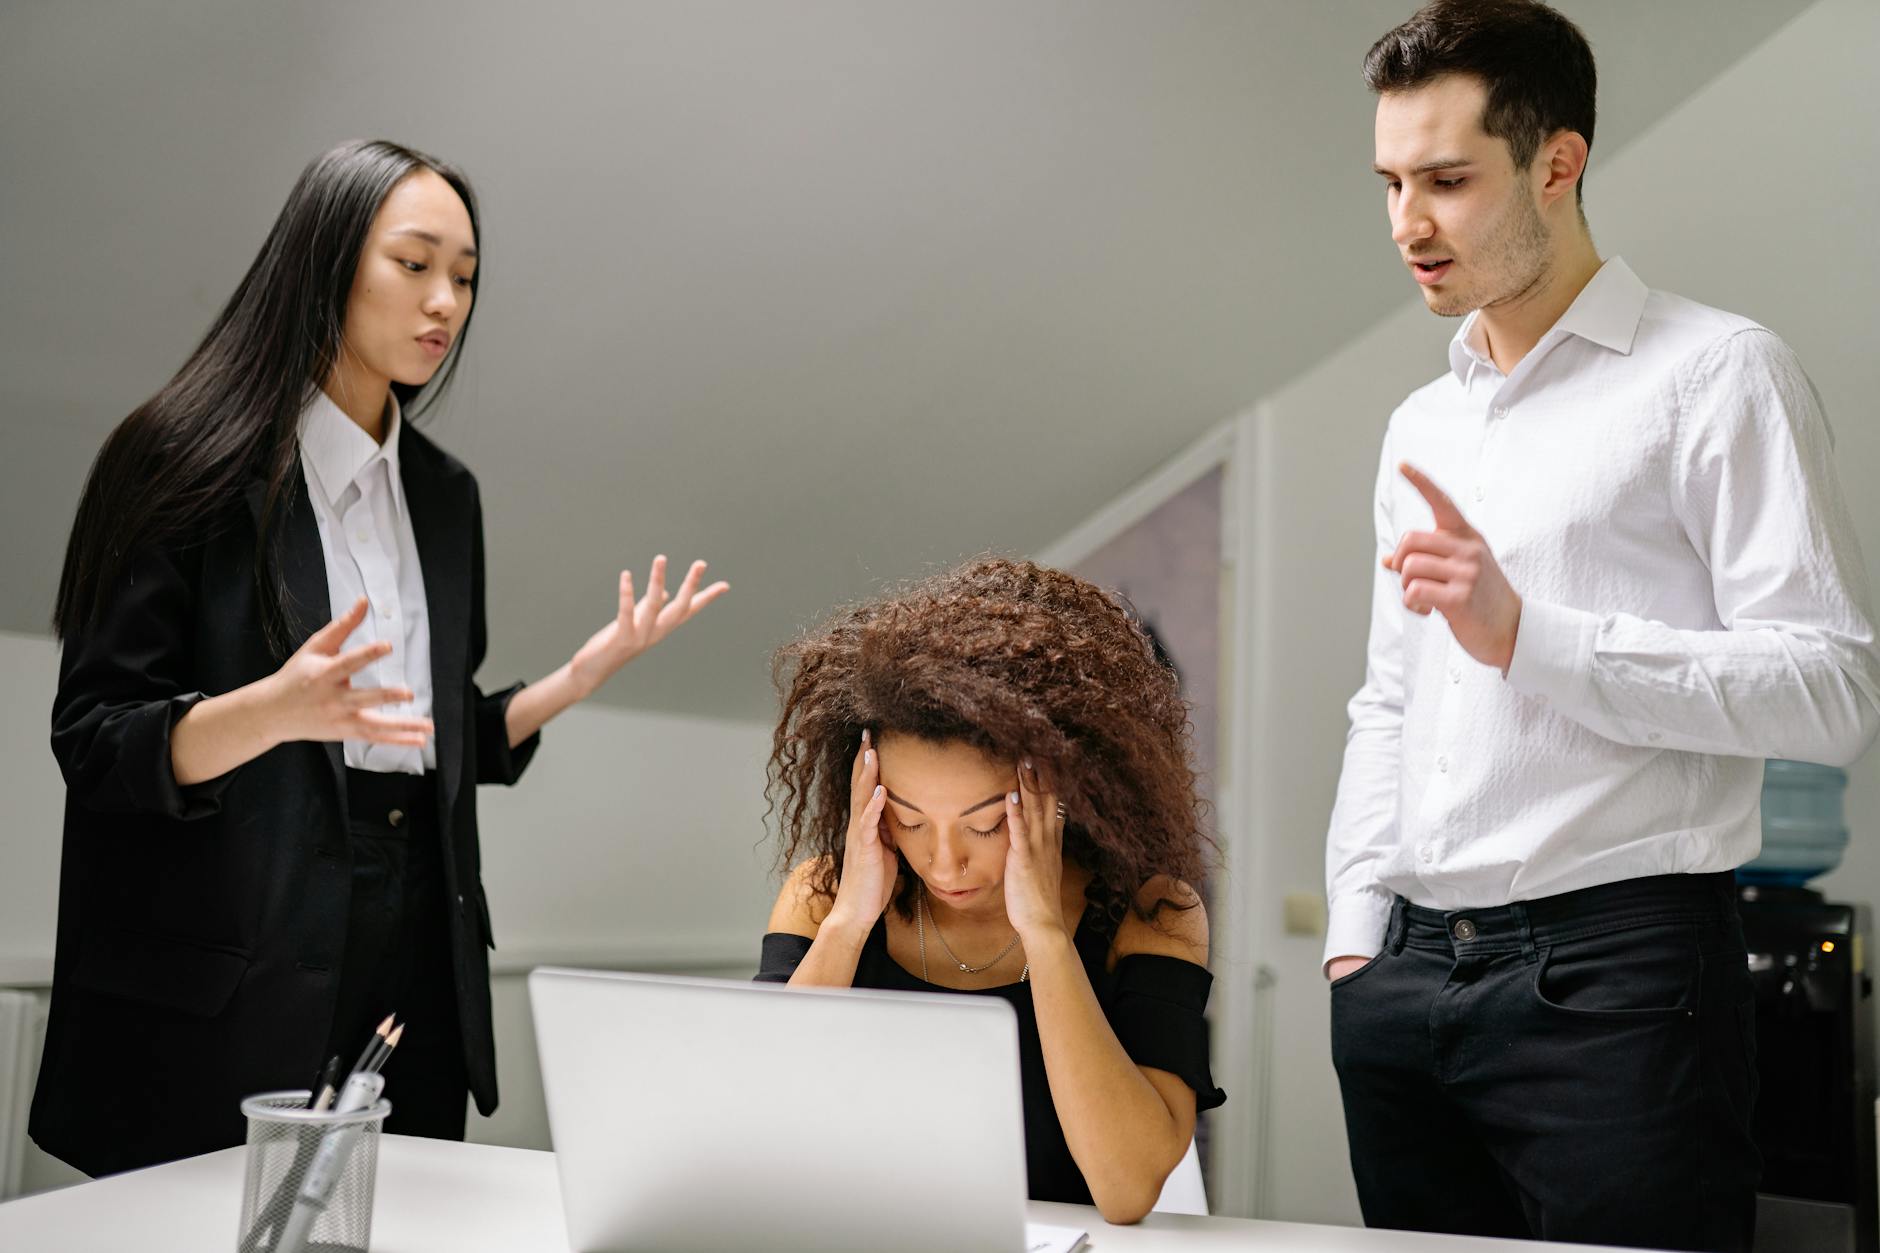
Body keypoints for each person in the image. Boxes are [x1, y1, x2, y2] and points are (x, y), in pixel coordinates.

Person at [34, 139, 728, 1177]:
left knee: (399, 1209)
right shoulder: (178, 457)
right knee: (223, 1217)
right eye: (414, 263)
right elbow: (95, 741)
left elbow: (426, 739)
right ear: (326, 262)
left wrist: (575, 679)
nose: (445, 301)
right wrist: (273, 709)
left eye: (465, 276)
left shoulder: (445, 494)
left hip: (414, 941)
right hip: (237, 942)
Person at [1323, 3, 1880, 1249]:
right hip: (1404, 981)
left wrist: (1530, 634)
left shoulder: (1717, 374)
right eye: (1390, 183)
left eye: (1446, 180)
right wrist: (1356, 942)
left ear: (1556, 163)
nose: (1406, 223)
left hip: (1620, 983)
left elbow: (1832, 687)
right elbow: (1389, 699)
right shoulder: (1422, 424)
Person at [755, 557, 1224, 1224]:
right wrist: (848, 925)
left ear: (1061, 791)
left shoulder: (1153, 914)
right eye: (910, 819)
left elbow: (1125, 1191)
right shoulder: (823, 897)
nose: (944, 862)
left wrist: (1046, 934)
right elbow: (755, 1122)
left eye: (984, 824)